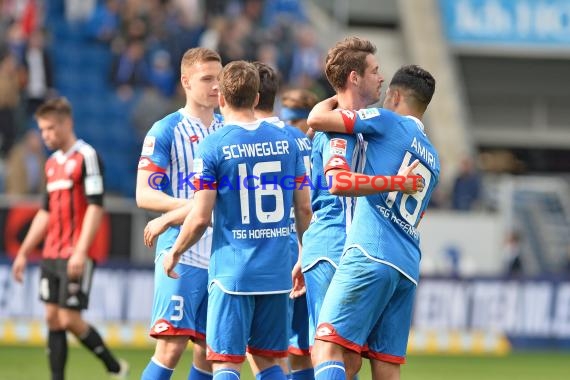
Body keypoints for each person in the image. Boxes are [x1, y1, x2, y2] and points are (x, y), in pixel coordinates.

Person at [162, 60, 313, 380]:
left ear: (221, 99)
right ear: (257, 98)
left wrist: (175, 250)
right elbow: (304, 209)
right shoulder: (288, 142)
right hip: (277, 272)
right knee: (270, 361)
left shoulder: (213, 146)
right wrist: (304, 252)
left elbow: (201, 217)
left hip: (233, 272)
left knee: (226, 363)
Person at [307, 64, 439, 380]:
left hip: (370, 252)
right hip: (407, 266)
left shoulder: (388, 121)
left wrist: (333, 99)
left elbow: (316, 120)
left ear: (394, 95)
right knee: (386, 367)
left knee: (326, 347)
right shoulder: (434, 158)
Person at [11, 97, 128, 380]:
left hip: (76, 253)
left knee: (70, 319)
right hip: (51, 252)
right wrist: (24, 252)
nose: (46, 135)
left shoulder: (86, 156)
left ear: (67, 124)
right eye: (42, 129)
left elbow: (96, 206)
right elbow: (45, 212)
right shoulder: (51, 164)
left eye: (51, 128)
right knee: (52, 318)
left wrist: (80, 251)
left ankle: (115, 367)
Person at [136, 47, 224, 380]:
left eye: (219, 78)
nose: (216, 86)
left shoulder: (227, 130)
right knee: (171, 347)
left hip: (221, 254)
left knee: (207, 353)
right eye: (207, 79)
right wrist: (194, 208)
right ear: (186, 81)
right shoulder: (165, 130)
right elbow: (144, 193)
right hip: (182, 251)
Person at [252, 61, 313, 380]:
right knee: (303, 348)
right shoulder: (311, 144)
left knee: (263, 349)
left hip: (278, 247)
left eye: (295, 118)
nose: (290, 123)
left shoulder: (258, 139)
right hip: (308, 247)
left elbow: (305, 206)